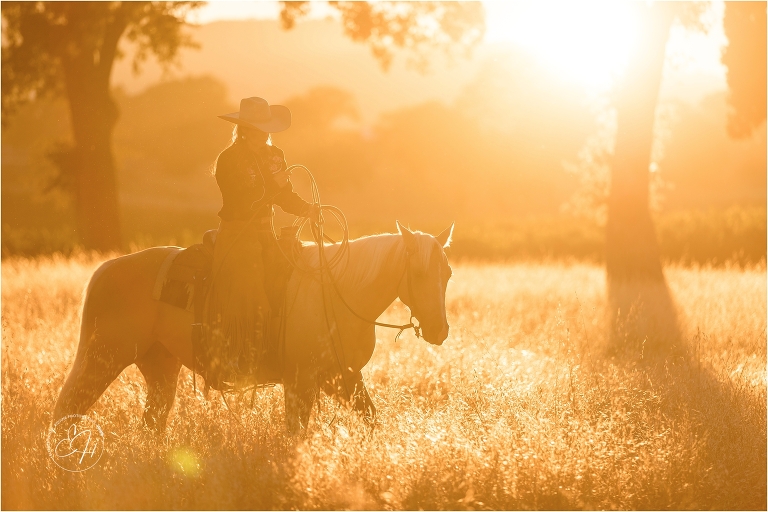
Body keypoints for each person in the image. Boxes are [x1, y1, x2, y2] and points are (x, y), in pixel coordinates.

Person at [202, 96, 314, 386]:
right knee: (253, 295)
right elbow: (237, 196)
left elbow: (284, 194)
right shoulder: (229, 159)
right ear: (244, 129)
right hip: (238, 235)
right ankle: (240, 358)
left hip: (267, 235)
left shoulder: (274, 155)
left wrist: (307, 209)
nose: (264, 132)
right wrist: (269, 194)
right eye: (258, 127)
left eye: (266, 127)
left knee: (295, 281)